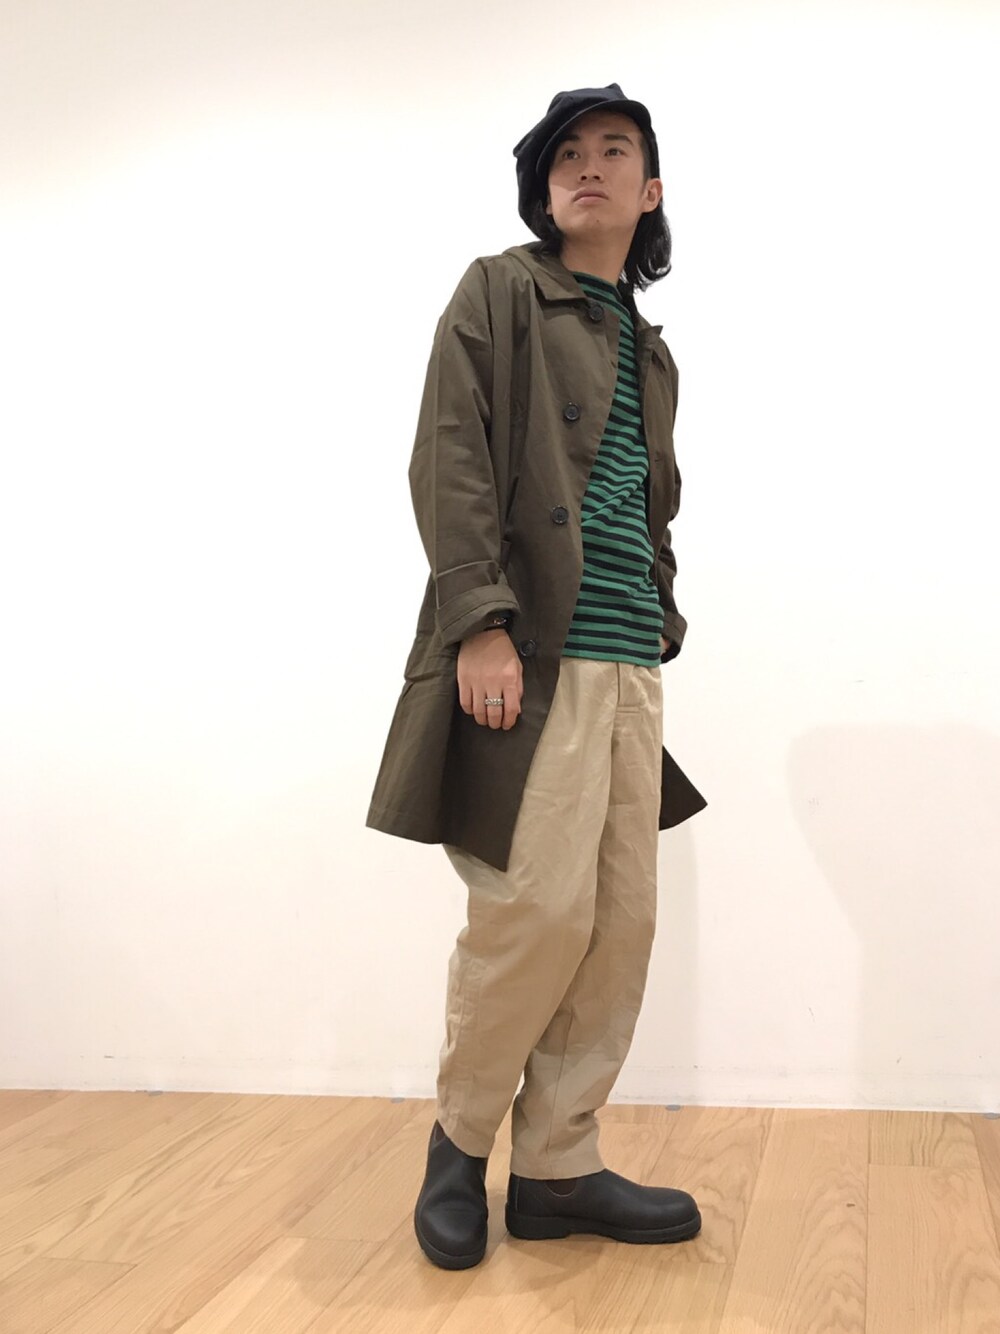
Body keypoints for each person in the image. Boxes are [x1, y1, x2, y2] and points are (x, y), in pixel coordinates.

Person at [366, 83, 707, 1270]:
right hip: (534, 653)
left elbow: (648, 503)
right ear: (544, 189)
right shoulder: (501, 292)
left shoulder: (652, 351)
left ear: (649, 190)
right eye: (567, 154)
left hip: (627, 659)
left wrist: (662, 611)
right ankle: (459, 1146)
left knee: (617, 924)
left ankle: (558, 1163)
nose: (589, 166)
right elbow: (450, 450)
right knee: (532, 911)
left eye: (615, 150)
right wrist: (479, 620)